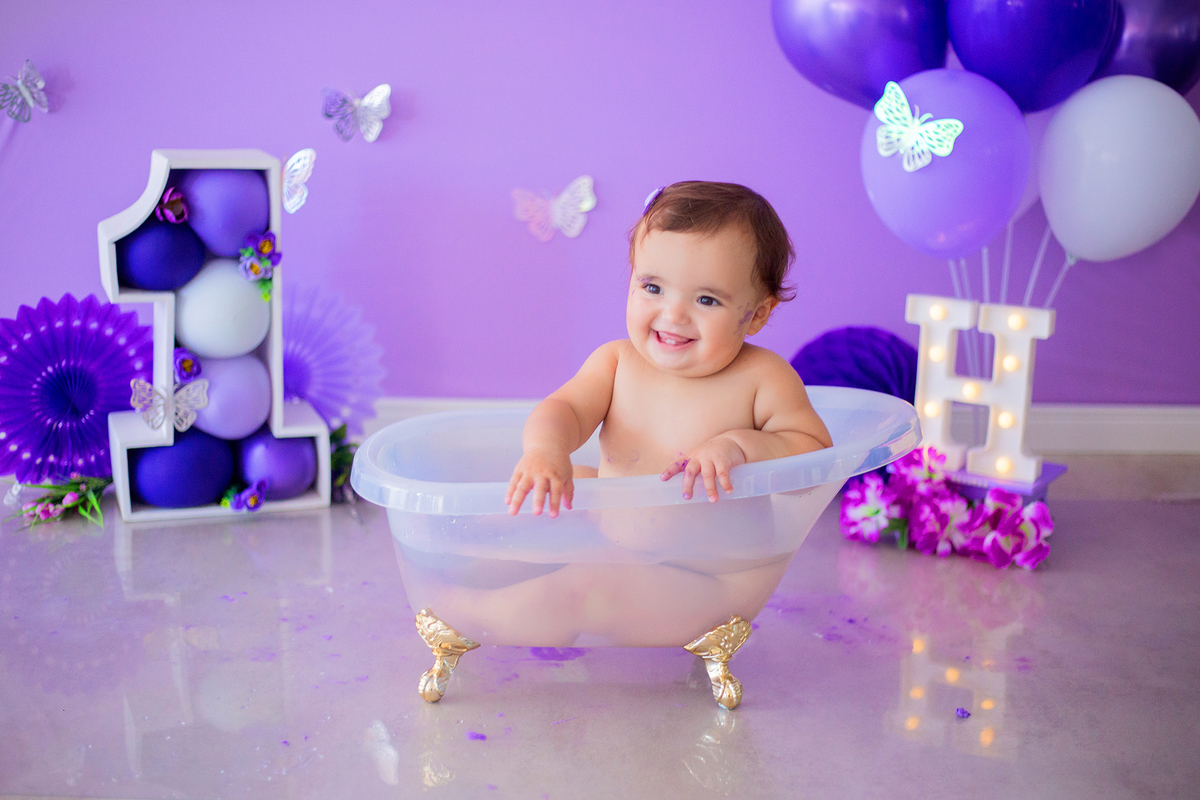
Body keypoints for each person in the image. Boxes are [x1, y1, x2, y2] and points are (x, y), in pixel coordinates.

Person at [506, 180, 832, 518]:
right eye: (652, 287)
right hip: (613, 552)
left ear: (757, 315)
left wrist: (740, 448)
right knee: (530, 523)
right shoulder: (616, 364)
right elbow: (565, 409)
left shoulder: (763, 378)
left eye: (707, 299)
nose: (673, 314)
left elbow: (816, 460)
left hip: (716, 568)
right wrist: (547, 449)